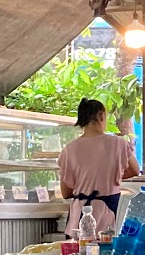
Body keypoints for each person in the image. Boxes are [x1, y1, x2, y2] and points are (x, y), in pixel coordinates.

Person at [58, 98, 139, 237]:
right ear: (101, 116)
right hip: (108, 215)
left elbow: (66, 192)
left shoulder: (69, 149)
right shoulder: (118, 143)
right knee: (107, 248)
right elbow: (134, 170)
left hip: (79, 218)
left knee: (80, 249)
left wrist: (85, 186)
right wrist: (111, 177)